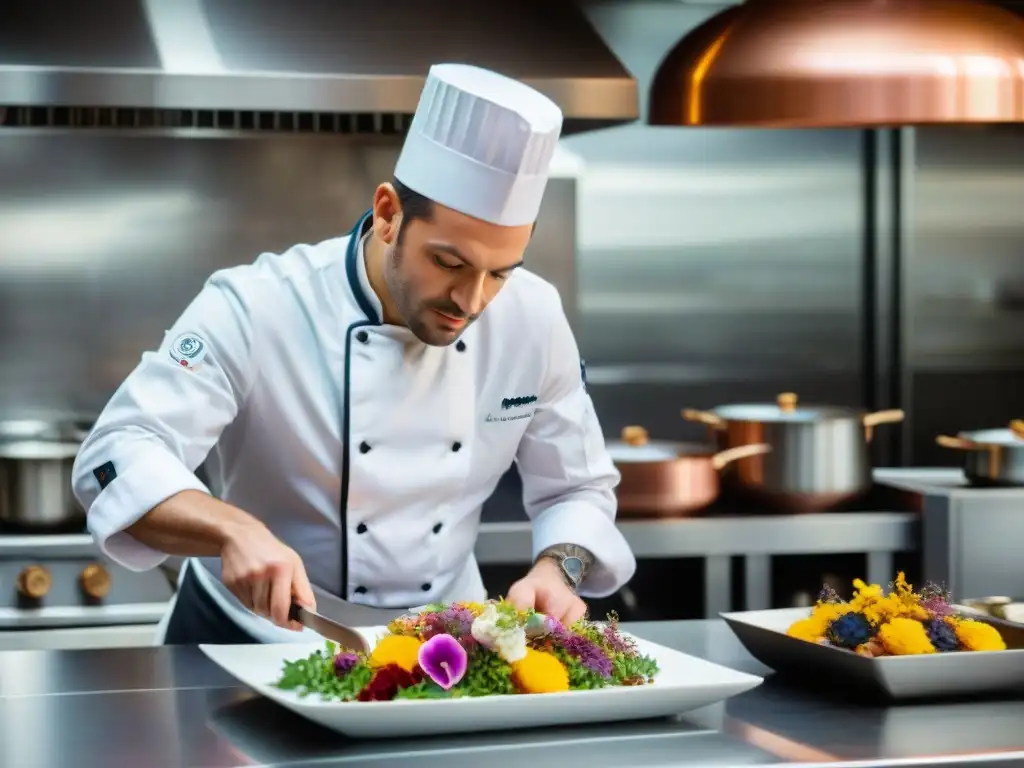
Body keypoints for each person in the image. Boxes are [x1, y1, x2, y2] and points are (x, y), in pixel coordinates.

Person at [71, 63, 636, 646]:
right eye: (448, 263)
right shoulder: (257, 304)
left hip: (442, 650)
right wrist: (230, 529)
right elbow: (117, 453)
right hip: (248, 636)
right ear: (389, 213)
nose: (471, 300)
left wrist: (557, 569)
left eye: (499, 273)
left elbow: (577, 486)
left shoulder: (534, 317)